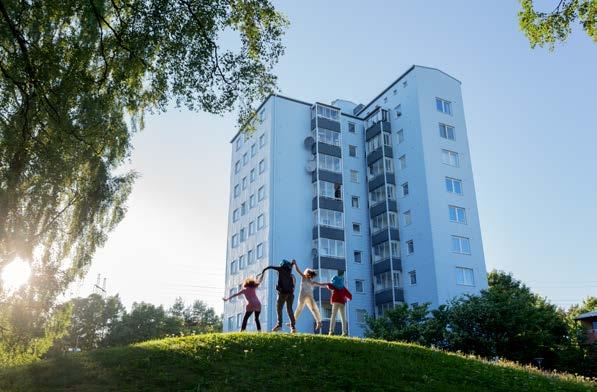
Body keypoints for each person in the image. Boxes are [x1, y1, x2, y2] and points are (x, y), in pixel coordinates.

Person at [261, 259, 296, 332]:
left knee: (279, 308)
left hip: (283, 293)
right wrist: (292, 263)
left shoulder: (280, 269)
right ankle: (293, 327)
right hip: (291, 294)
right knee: (290, 309)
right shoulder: (289, 270)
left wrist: (264, 270)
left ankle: (279, 325)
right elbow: (291, 265)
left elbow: (271, 267)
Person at [292, 260, 325, 331]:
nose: (309, 276)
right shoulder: (304, 277)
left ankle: (319, 322)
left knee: (314, 308)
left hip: (308, 296)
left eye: (310, 276)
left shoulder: (311, 282)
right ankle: (293, 321)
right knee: (299, 308)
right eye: (309, 275)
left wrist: (328, 286)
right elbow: (298, 270)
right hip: (303, 296)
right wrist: (295, 264)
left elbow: (321, 284)